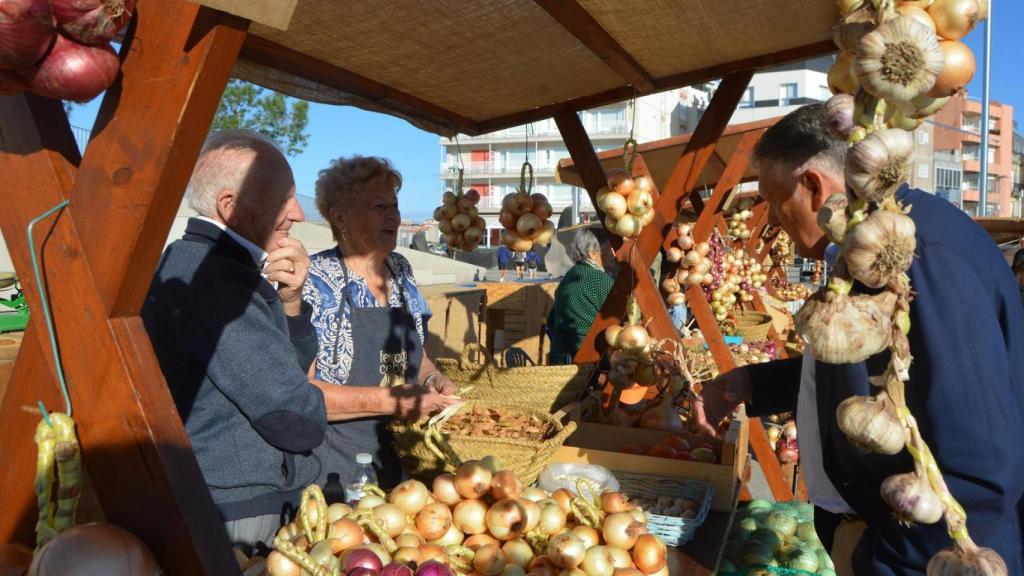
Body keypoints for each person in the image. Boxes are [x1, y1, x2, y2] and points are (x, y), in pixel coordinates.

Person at [692, 105, 1024, 575]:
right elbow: (874, 371)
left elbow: (979, 472)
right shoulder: (863, 252)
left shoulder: (920, 258)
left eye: (770, 198)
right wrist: (752, 384)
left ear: (811, 187)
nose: (768, 217)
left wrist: (879, 561)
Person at [142, 129, 327, 555]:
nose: (298, 212)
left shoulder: (219, 269)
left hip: (240, 498)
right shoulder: (216, 280)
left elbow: (289, 372)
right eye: (284, 197)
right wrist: (317, 405)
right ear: (231, 206)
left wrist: (292, 301)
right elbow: (294, 418)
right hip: (240, 511)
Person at [302, 155, 461, 495]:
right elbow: (304, 394)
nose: (394, 216)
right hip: (337, 471)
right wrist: (394, 401)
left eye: (395, 205)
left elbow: (417, 357)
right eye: (379, 206)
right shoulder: (314, 282)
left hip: (406, 464)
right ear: (340, 218)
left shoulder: (401, 271)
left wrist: (433, 378)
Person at [546, 229, 614, 365]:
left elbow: (550, 320)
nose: (612, 254)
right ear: (593, 253)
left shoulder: (570, 276)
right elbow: (619, 316)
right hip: (586, 356)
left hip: (559, 356)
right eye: (608, 248)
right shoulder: (600, 280)